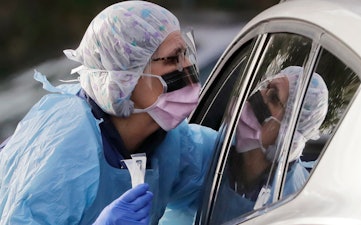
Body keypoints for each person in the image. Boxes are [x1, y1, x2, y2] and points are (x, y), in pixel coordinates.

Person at [0, 1, 217, 225]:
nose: (188, 65)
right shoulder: (67, 146)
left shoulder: (169, 142)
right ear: (125, 76)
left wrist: (251, 135)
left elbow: (223, 178)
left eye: (187, 53)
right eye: (174, 58)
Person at [210, 66, 329, 224]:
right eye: (265, 86)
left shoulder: (295, 206)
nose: (258, 96)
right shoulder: (211, 155)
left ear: (287, 133)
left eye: (273, 96)